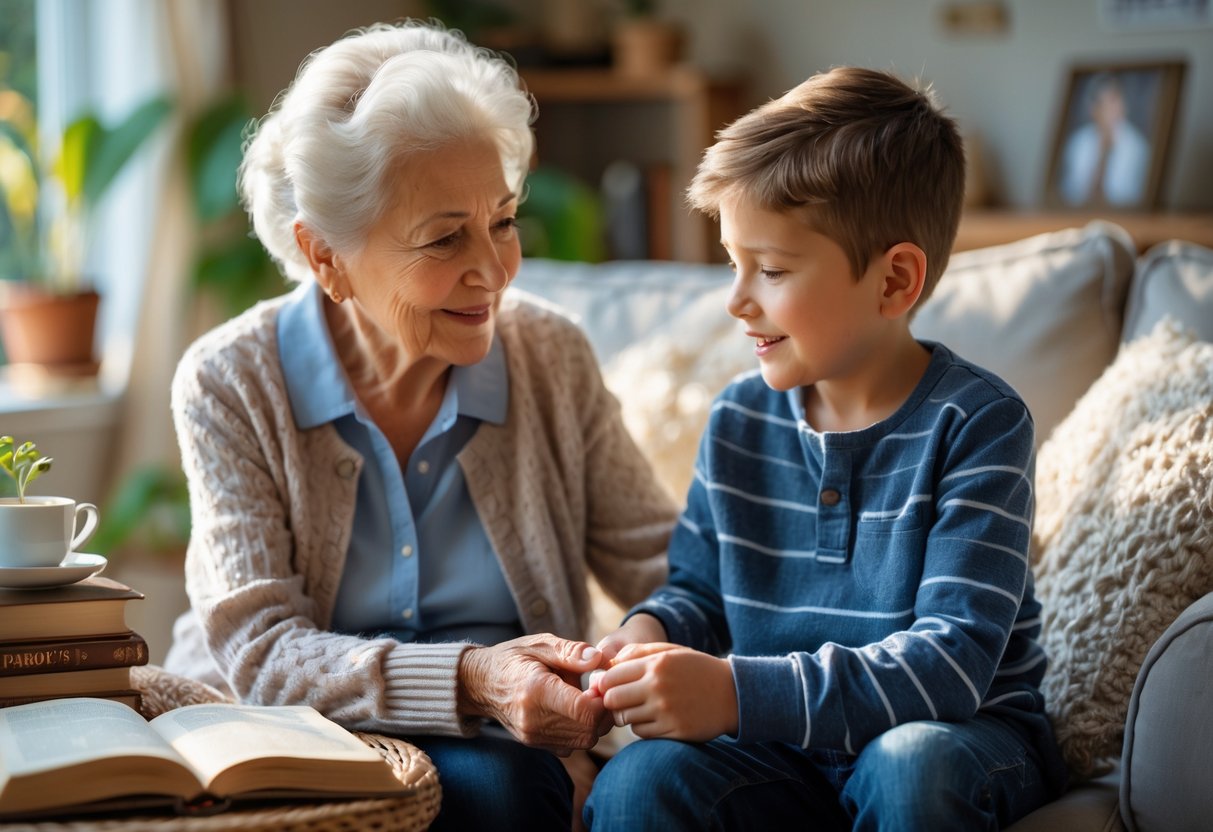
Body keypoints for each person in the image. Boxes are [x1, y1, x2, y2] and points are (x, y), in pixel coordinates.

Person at [162, 20, 677, 830]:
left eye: (502, 221)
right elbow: (260, 651)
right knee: (505, 790)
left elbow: (663, 564)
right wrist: (474, 678)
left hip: (512, 754)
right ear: (324, 255)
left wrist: (641, 648)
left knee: (535, 786)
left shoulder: (548, 355)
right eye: (444, 238)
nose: (494, 271)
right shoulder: (233, 381)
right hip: (290, 741)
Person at [582, 66, 1068, 830]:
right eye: (733, 263)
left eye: (771, 270)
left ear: (894, 281)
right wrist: (647, 633)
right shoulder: (738, 419)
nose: (736, 300)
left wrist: (734, 693)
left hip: (956, 742)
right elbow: (700, 595)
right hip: (784, 753)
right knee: (640, 781)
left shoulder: (978, 423)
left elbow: (949, 664)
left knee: (907, 769)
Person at [1058, 71, 1150, 207]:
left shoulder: (1137, 146)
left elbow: (1133, 196)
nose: (1112, 110)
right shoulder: (1077, 142)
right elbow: (1068, 191)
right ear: (1094, 109)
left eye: (1115, 102)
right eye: (1104, 104)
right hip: (1080, 212)